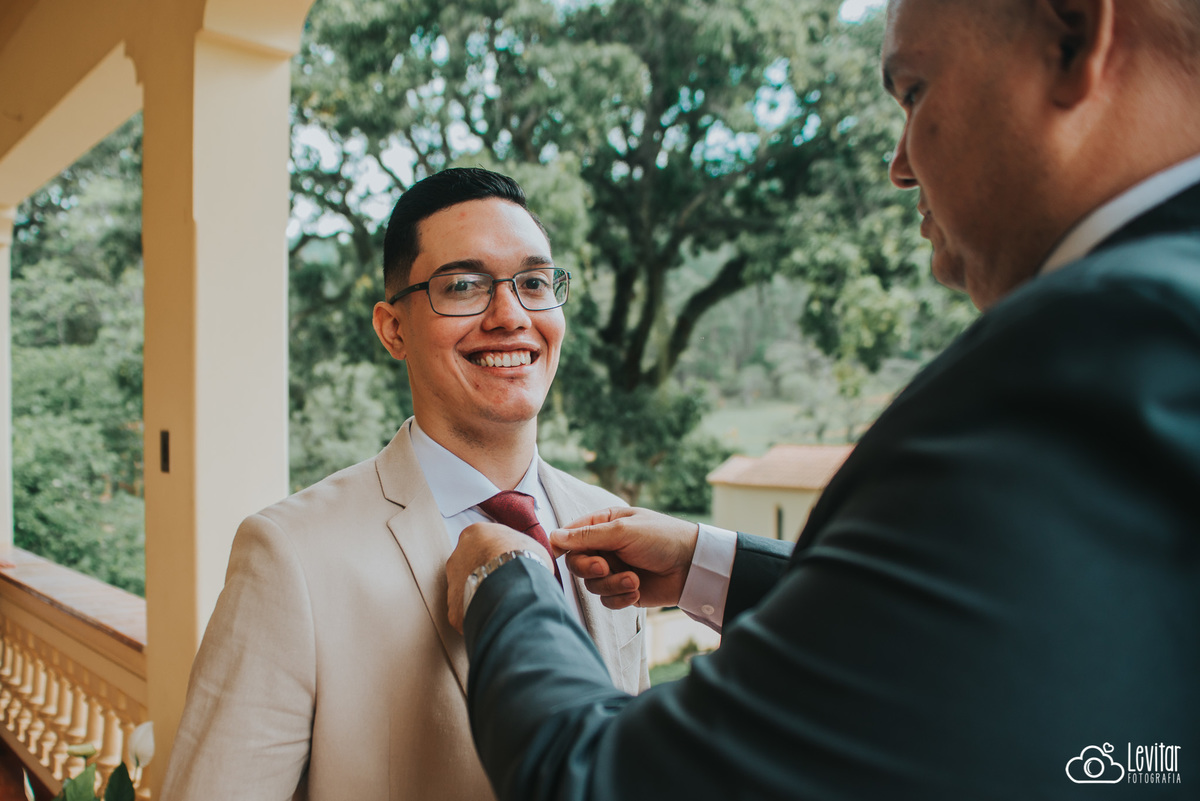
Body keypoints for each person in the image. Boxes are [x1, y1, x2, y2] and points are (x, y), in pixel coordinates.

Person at [446, 0, 1200, 797]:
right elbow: (991, 634)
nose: (899, 164)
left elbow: (604, 781)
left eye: (913, 91)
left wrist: (506, 579)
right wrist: (709, 564)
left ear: (1075, 32)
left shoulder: (1081, 356)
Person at [162, 168, 648, 801]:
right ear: (393, 328)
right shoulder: (290, 556)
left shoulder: (614, 524)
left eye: (533, 283)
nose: (510, 315)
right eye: (464, 286)